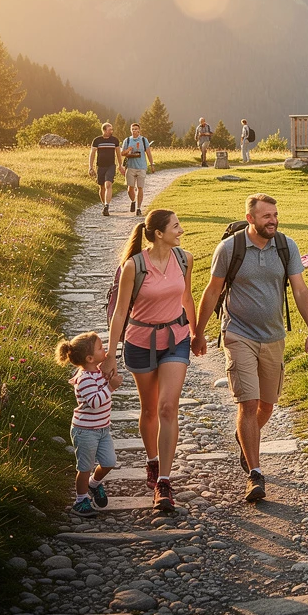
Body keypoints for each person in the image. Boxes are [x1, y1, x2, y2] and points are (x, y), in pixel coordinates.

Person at [194, 194, 308, 503]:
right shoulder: (230, 248)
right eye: (266, 216)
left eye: (275, 214)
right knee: (248, 405)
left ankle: (244, 436)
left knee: (267, 405)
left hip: (274, 335)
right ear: (251, 219)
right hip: (238, 334)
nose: (273, 220)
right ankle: (255, 473)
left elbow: (300, 289)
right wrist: (198, 333)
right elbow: (213, 291)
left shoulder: (285, 246)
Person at [105, 210, 200, 513]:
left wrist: (196, 333)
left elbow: (187, 298)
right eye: (176, 226)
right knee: (149, 410)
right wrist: (110, 354)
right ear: (159, 233)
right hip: (140, 342)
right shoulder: (134, 266)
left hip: (176, 338)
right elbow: (121, 312)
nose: (181, 230)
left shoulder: (184, 259)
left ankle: (164, 481)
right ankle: (152, 460)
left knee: (168, 407)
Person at [55, 331, 122, 518]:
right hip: (85, 431)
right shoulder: (84, 378)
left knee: (109, 462)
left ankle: (94, 484)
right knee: (84, 467)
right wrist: (111, 387)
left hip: (102, 429)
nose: (105, 350)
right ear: (90, 358)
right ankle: (80, 500)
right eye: (101, 348)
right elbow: (94, 401)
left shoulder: (98, 371)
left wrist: (109, 379)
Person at [121, 122, 153, 219]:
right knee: (130, 188)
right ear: (131, 130)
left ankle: (138, 208)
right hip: (130, 167)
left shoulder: (144, 140)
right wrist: (128, 150)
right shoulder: (127, 140)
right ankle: (133, 201)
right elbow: (122, 153)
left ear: (139, 130)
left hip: (141, 167)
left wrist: (152, 164)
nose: (134, 130)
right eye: (133, 129)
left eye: (136, 129)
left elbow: (148, 152)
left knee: (140, 188)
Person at [89, 122, 122, 217]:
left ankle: (107, 205)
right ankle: (104, 205)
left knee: (108, 184)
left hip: (111, 165)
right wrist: (90, 167)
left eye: (112, 129)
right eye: (109, 130)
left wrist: (120, 165)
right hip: (100, 166)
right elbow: (92, 154)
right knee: (102, 187)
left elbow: (118, 153)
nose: (111, 131)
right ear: (104, 130)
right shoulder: (97, 140)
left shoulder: (115, 140)